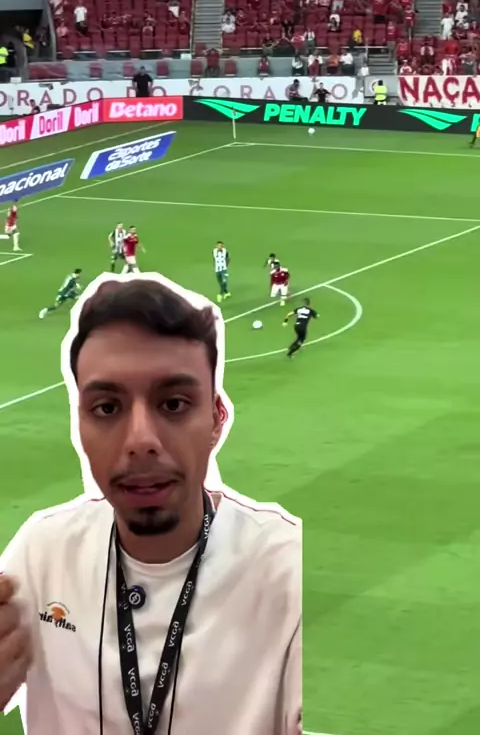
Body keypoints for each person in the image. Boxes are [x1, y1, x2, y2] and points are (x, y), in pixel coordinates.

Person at [1, 275, 301, 735]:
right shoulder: (42, 556)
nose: (141, 440)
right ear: (78, 424)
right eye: (107, 408)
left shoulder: (287, 573)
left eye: (174, 404)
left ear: (217, 419)